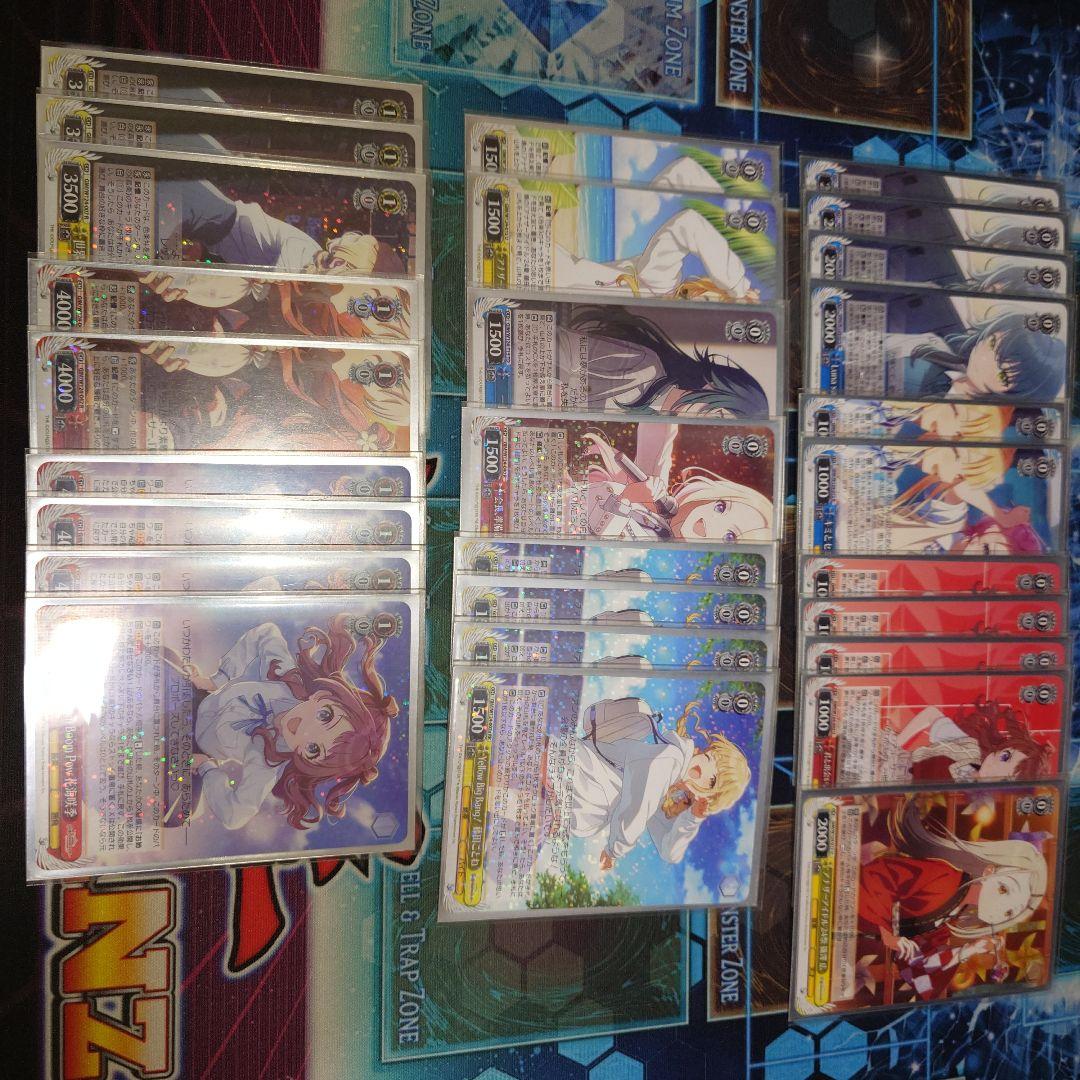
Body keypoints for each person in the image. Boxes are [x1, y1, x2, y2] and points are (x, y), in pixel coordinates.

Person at [182, 617, 397, 830]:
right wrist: (217, 680)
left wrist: (208, 769)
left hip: (193, 749)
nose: (303, 730)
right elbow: (266, 632)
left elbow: (235, 815)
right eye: (325, 715)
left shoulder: (268, 762)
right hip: (194, 698)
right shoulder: (287, 679)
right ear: (324, 694)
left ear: (309, 763)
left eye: (314, 749)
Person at [858, 796, 1048, 1001]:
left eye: (1010, 912)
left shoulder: (952, 913)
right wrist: (888, 933)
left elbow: (920, 973)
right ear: (989, 871)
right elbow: (878, 876)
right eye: (1003, 890)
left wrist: (968, 950)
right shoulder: (945, 876)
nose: (1000, 908)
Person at [568, 697, 750, 867]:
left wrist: (691, 819)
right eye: (710, 758)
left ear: (706, 796)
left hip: (580, 790)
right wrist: (615, 850)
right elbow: (637, 806)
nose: (704, 770)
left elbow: (669, 852)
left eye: (712, 781)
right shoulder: (671, 760)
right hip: (581, 779)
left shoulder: (670, 781)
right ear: (704, 751)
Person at [549, 304, 768, 416]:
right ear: (712, 386)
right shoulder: (646, 368)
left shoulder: (653, 419)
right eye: (718, 414)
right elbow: (559, 347)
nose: (705, 420)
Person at [583, 424, 774, 540]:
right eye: (720, 507)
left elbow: (598, 542)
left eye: (729, 537)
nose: (710, 523)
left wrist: (628, 498)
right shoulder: (657, 502)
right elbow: (659, 432)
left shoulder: (658, 557)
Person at [883, 314, 1065, 401]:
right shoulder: (933, 345)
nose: (985, 362)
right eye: (992, 343)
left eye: (1003, 376)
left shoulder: (966, 429)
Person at [887, 700, 1055, 782]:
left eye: (1005, 777)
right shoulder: (969, 749)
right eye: (1005, 757)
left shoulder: (977, 804)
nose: (995, 766)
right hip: (894, 764)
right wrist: (895, 743)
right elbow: (931, 714)